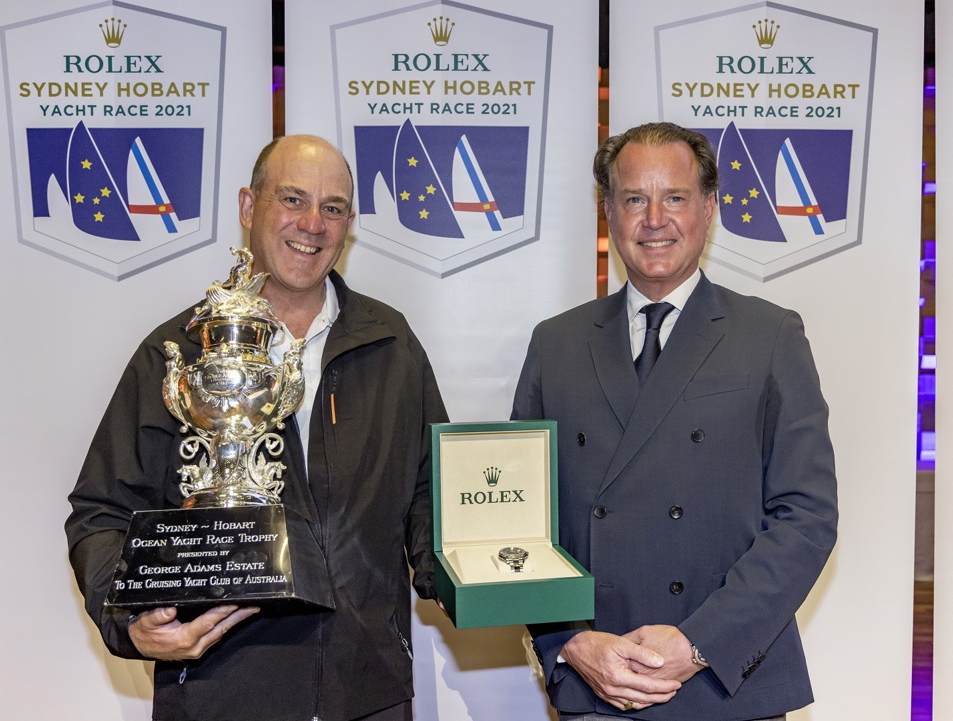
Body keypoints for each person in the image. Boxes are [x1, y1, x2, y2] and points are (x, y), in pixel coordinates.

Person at [66, 135, 448, 721]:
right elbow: (101, 509)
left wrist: (463, 572)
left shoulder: (390, 343)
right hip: (223, 691)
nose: (312, 224)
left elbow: (432, 494)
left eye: (333, 207)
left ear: (350, 222)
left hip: (369, 690)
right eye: (292, 199)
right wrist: (127, 621)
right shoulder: (181, 351)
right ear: (249, 207)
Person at [512, 122, 838, 720]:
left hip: (728, 685)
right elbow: (524, 522)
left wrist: (698, 643)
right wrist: (570, 643)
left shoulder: (771, 336)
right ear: (608, 210)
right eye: (635, 198)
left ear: (709, 208)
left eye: (676, 198)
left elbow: (806, 518)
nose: (654, 219)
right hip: (599, 683)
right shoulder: (555, 343)